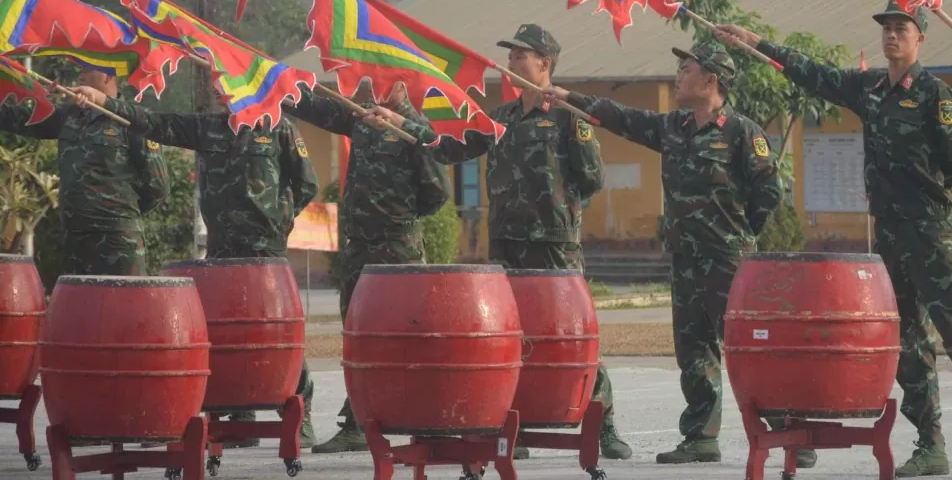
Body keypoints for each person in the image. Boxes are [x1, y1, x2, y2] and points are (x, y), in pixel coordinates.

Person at [717, 0, 952, 479]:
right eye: (886, 27)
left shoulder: (934, 94)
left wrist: (921, 192)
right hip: (890, 238)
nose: (891, 35)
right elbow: (813, 73)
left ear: (919, 37)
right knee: (906, 343)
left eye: (901, 28)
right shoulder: (870, 89)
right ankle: (930, 443)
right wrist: (755, 41)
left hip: (931, 234)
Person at [369, 23, 631, 461]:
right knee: (512, 339)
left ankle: (603, 425)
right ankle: (515, 426)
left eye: (519, 55)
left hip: (552, 245)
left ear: (544, 64)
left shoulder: (569, 116)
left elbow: (592, 179)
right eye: (510, 55)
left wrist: (556, 207)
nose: (510, 63)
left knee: (572, 338)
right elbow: (451, 148)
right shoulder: (502, 119)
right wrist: (405, 122)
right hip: (506, 245)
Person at [540, 40, 783, 466]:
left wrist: (741, 237)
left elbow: (768, 191)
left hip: (728, 260)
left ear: (711, 80)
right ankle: (701, 437)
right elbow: (622, 117)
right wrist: (570, 97)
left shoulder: (741, 131)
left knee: (749, 349)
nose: (678, 75)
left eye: (686, 69)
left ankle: (787, 429)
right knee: (693, 349)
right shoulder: (674, 127)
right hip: (686, 259)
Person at [73, 84, 320, 449]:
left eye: (229, 83)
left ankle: (301, 414)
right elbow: (155, 123)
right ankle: (239, 415)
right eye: (218, 85)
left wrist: (278, 217)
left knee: (277, 335)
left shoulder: (278, 127)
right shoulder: (208, 128)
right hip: (222, 249)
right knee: (226, 333)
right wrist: (105, 102)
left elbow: (306, 184)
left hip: (264, 249)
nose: (221, 90)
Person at [288, 81, 451, 454]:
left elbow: (437, 192)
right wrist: (273, 83)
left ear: (402, 83)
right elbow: (317, 108)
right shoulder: (361, 118)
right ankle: (358, 422)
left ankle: (427, 418)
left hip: (398, 249)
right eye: (370, 77)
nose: (375, 85)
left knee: (407, 335)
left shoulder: (415, 130)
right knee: (358, 332)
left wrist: (398, 220)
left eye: (385, 78)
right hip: (359, 247)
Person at [0, 67, 168, 275]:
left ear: (109, 76)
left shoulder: (133, 120)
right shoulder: (69, 115)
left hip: (118, 241)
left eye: (88, 69)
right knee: (79, 305)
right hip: (76, 237)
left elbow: (158, 187)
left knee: (124, 304)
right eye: (79, 69)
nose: (81, 74)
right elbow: (19, 118)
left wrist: (120, 212)